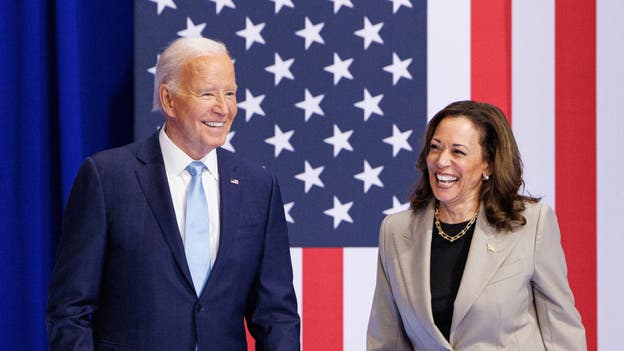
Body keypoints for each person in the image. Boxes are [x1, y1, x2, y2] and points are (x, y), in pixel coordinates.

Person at [46, 37, 300, 350]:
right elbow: (69, 310)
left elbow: (276, 316)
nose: (223, 108)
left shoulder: (259, 187)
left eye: (230, 93)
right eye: (208, 93)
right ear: (168, 100)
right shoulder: (107, 178)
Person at [367, 100, 586, 350]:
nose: (441, 161)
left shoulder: (531, 224)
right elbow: (387, 340)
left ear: (488, 164)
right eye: (435, 148)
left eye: (458, 152)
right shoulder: (395, 231)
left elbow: (560, 330)